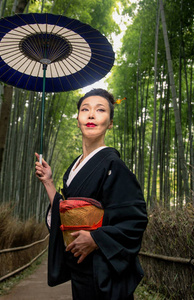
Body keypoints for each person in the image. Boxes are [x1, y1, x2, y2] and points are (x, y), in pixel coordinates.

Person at [35, 88, 148, 300]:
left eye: (100, 110)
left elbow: (135, 220)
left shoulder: (114, 165)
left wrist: (96, 239)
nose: (91, 115)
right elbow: (66, 211)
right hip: (82, 269)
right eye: (85, 109)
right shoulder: (73, 168)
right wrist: (49, 182)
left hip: (104, 273)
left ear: (110, 122)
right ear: (78, 119)